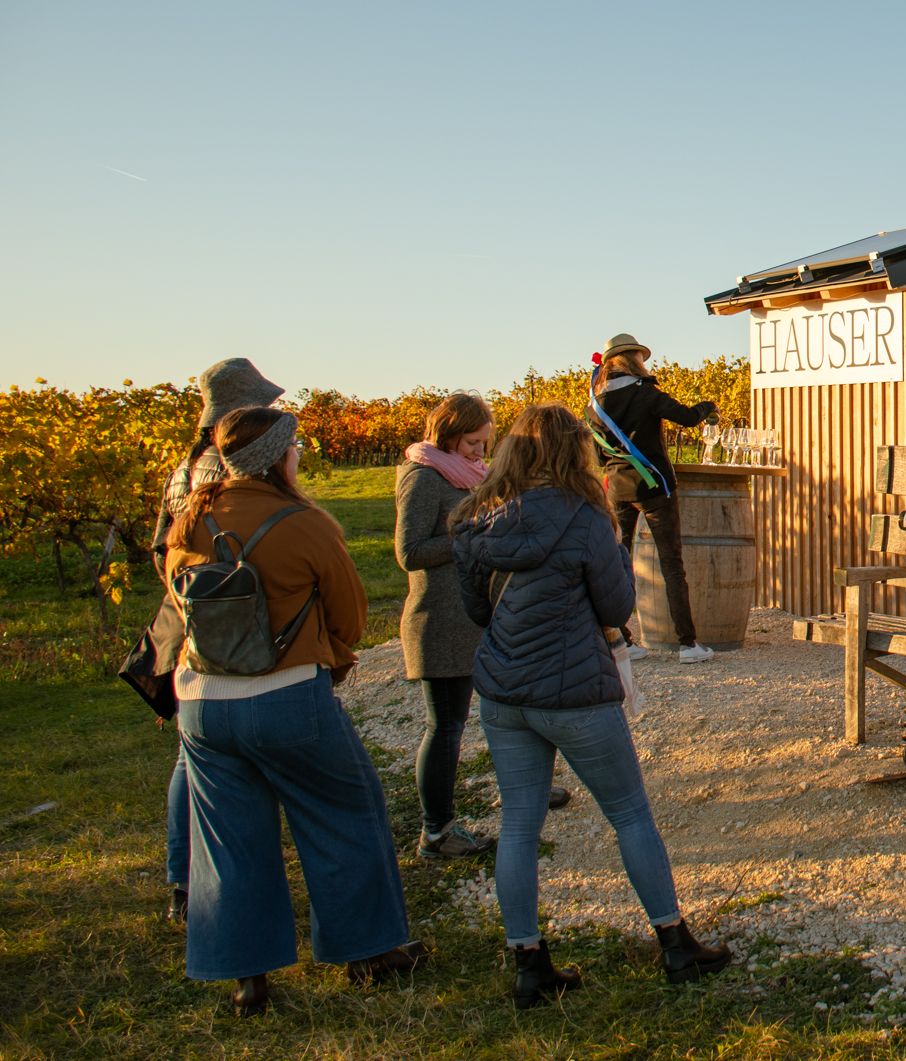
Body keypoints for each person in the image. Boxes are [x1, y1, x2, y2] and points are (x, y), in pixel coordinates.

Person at [452, 403, 730, 1009]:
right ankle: (674, 941)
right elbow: (614, 606)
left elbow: (477, 611)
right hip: (574, 688)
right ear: (573, 452)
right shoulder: (584, 518)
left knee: (519, 823)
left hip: (504, 691)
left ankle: (528, 959)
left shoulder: (476, 517)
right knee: (630, 814)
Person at [165, 406, 423, 1015]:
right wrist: (327, 652)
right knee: (344, 813)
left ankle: (245, 978)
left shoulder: (192, 515)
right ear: (280, 456)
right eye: (296, 444)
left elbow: (177, 598)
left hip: (201, 702)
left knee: (227, 839)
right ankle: (369, 950)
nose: (301, 452)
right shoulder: (304, 522)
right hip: (285, 695)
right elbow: (350, 616)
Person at [147, 358, 285, 926]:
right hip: (236, 626)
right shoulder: (227, 469)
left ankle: (183, 878)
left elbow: (162, 547)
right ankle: (205, 882)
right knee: (216, 761)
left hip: (191, 624)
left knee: (193, 756)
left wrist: (185, 598)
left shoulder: (183, 469)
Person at [395, 393, 502, 860]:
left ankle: (526, 791)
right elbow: (410, 552)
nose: (480, 452)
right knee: (445, 728)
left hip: (470, 616)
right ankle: (435, 831)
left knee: (501, 710)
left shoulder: (467, 475)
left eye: (485, 443)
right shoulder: (423, 477)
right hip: (439, 619)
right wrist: (469, 532)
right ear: (449, 434)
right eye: (473, 443)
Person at [588, 334, 718, 663]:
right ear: (633, 360)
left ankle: (623, 640)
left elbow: (597, 453)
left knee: (617, 562)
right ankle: (688, 644)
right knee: (672, 565)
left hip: (617, 488)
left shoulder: (596, 403)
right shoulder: (644, 393)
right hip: (654, 487)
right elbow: (688, 417)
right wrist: (709, 407)